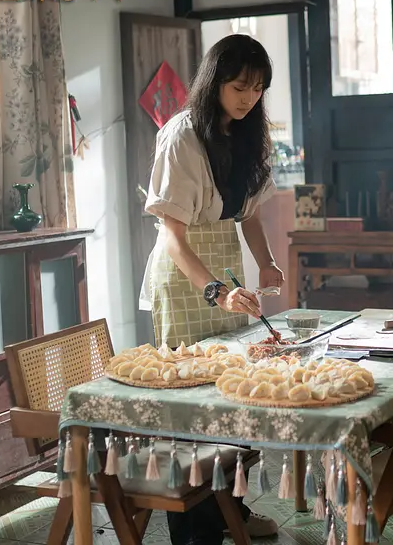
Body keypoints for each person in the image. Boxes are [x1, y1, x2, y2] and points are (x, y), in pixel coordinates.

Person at [138, 34, 282, 545]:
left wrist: (266, 263)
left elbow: (250, 215)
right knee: (192, 405)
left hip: (223, 265)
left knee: (234, 393)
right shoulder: (181, 136)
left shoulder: (246, 133)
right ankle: (195, 530)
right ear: (215, 81)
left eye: (258, 89)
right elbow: (173, 238)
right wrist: (217, 291)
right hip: (185, 276)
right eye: (240, 87)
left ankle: (231, 513)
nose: (248, 98)